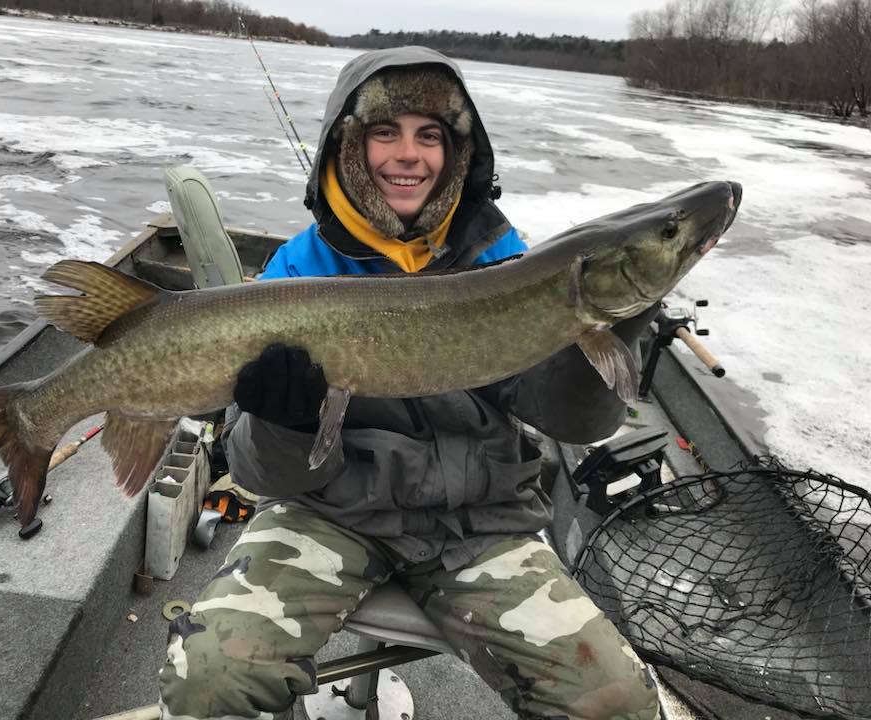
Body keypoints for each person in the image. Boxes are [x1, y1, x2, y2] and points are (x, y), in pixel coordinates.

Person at [158, 46, 660, 720]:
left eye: (430, 135)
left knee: (621, 704)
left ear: (456, 154)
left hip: (481, 522)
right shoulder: (293, 275)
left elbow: (573, 421)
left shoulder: (504, 262)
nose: (408, 155)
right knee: (207, 680)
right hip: (330, 514)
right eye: (384, 131)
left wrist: (621, 319)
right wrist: (288, 420)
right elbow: (258, 473)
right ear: (349, 144)